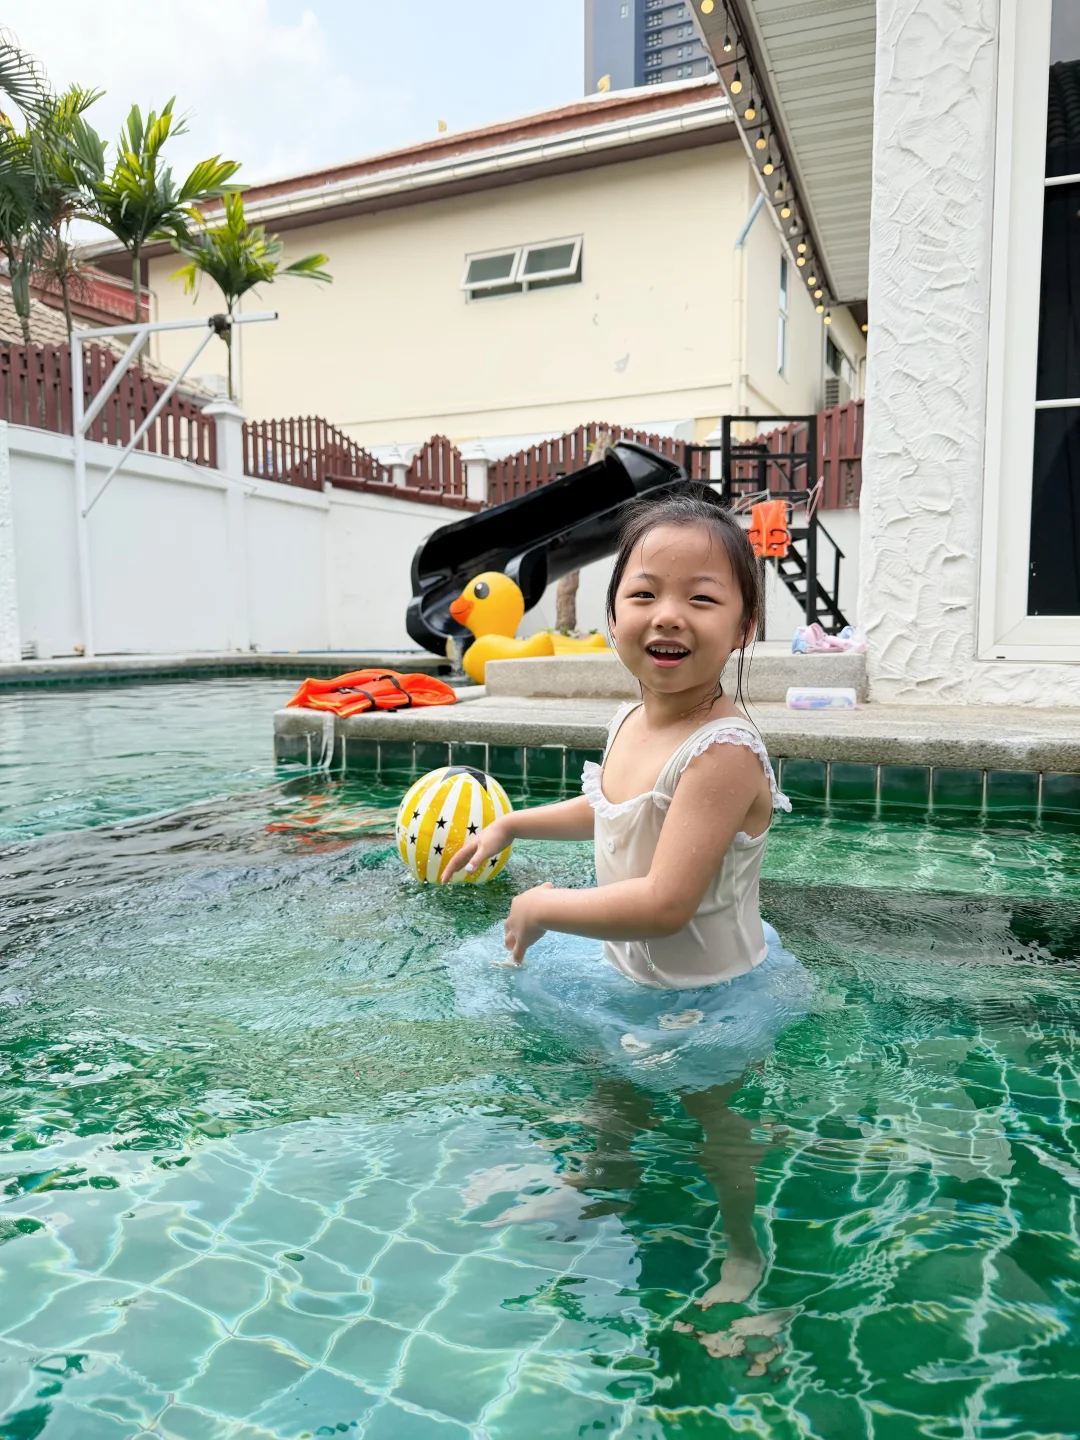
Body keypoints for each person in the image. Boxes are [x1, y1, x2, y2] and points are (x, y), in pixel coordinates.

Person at [442, 487, 811, 1304]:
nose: (667, 616)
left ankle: (745, 1254)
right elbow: (614, 811)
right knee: (614, 1089)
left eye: (701, 599)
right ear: (612, 616)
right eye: (643, 593)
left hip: (708, 992)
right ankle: (601, 1180)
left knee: (716, 1120)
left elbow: (665, 902)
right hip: (633, 974)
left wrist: (541, 906)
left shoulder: (722, 752)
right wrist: (513, 824)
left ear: (744, 626)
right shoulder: (631, 721)